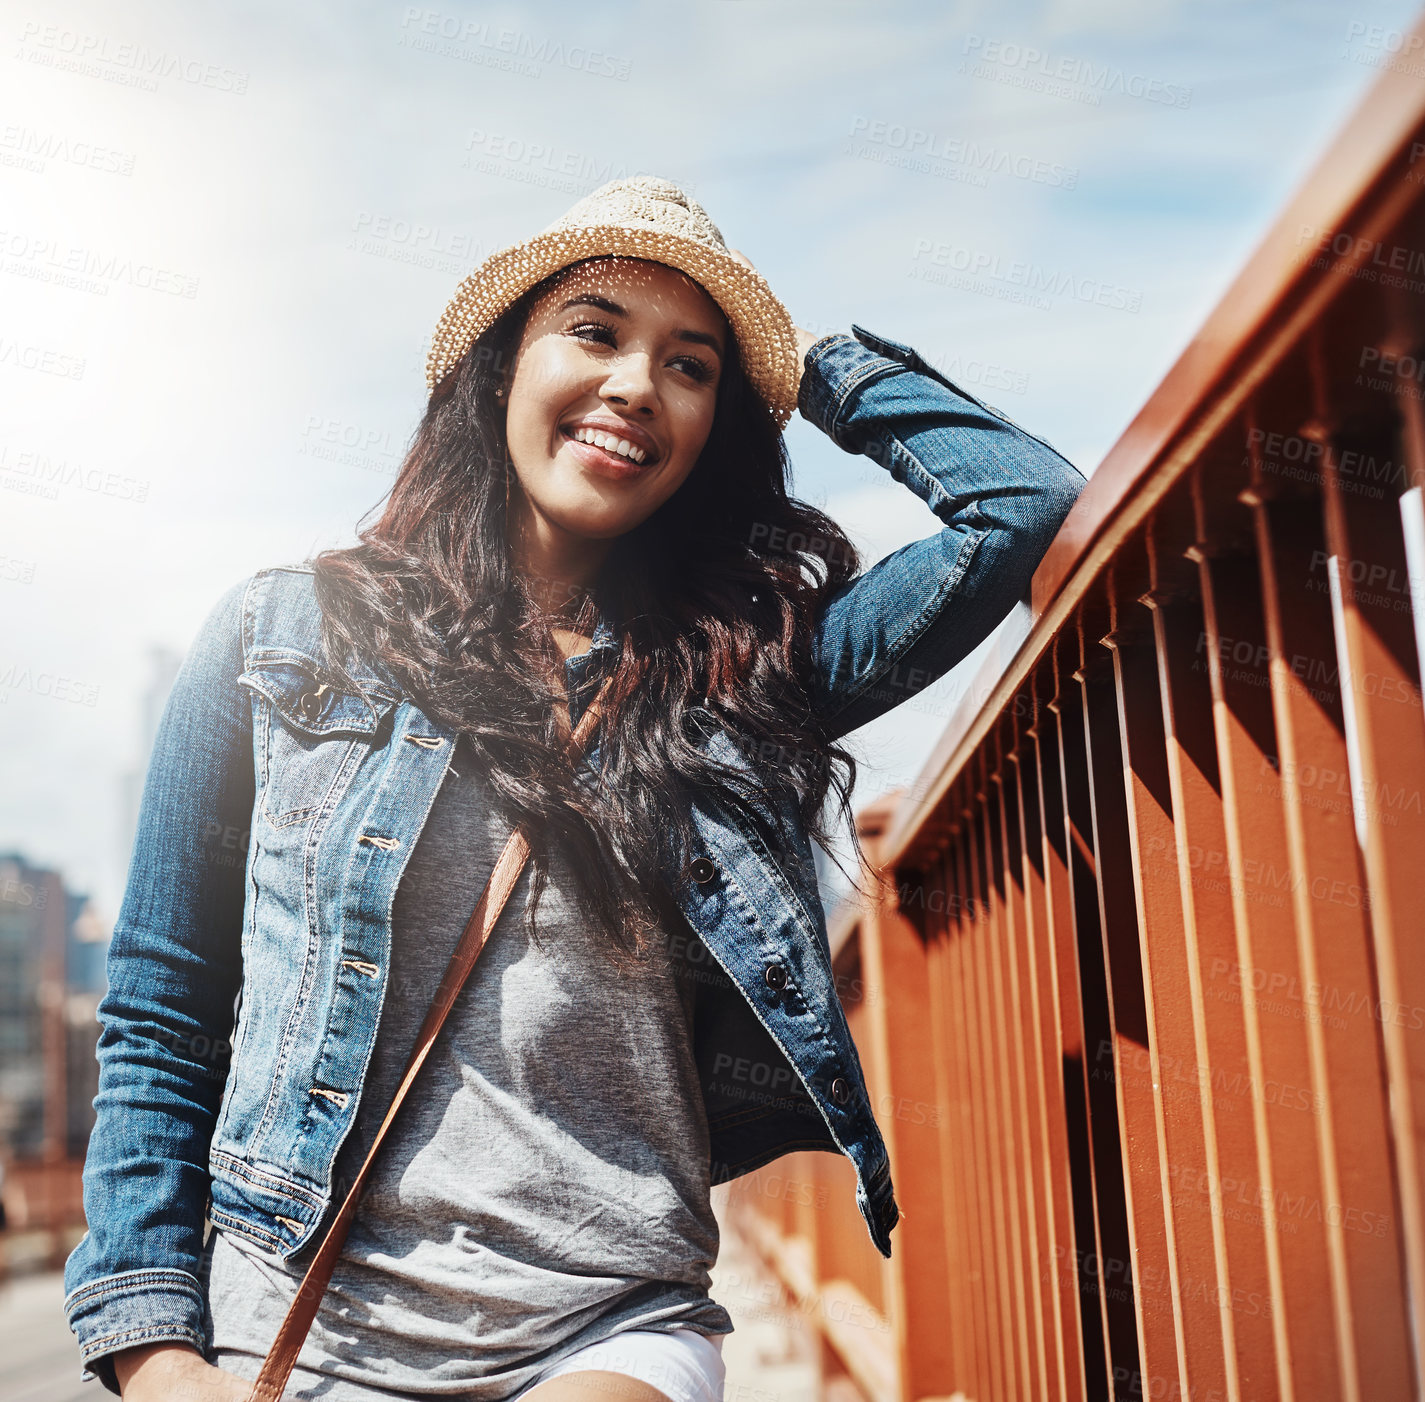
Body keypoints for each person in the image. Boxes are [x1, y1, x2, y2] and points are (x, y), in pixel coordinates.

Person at [63, 176, 1087, 1402]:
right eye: (595, 332)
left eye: (691, 367)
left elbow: (1017, 503)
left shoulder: (744, 678)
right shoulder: (282, 639)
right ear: (502, 371)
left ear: (716, 428)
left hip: (606, 1323)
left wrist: (802, 358)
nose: (637, 385)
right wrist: (153, 1349)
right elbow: (164, 1011)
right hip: (292, 1318)